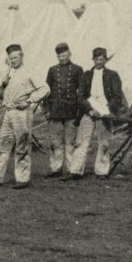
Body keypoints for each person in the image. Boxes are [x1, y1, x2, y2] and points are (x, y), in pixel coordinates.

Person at [0, 44, 49, 189]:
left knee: (22, 144)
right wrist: (2, 86)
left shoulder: (30, 71)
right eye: (11, 58)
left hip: (22, 112)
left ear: (22, 56)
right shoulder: (9, 73)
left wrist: (29, 101)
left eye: (16, 57)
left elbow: (45, 89)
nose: (13, 60)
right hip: (8, 112)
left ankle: (22, 179)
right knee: (2, 145)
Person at [66, 47, 127, 180]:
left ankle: (101, 171)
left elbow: (117, 96)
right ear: (93, 60)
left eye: (102, 59)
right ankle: (75, 170)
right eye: (96, 59)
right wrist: (89, 110)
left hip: (104, 112)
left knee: (104, 143)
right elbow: (81, 96)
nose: (99, 61)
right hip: (89, 111)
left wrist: (105, 109)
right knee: (82, 141)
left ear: (105, 60)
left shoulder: (113, 75)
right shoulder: (86, 75)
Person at [45, 42, 84, 178]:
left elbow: (82, 93)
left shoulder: (77, 70)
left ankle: (72, 170)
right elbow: (46, 92)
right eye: (59, 55)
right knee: (56, 142)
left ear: (69, 54)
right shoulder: (52, 70)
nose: (62, 57)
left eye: (64, 54)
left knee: (70, 142)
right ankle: (55, 169)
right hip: (55, 111)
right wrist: (47, 111)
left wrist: (79, 111)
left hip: (71, 111)